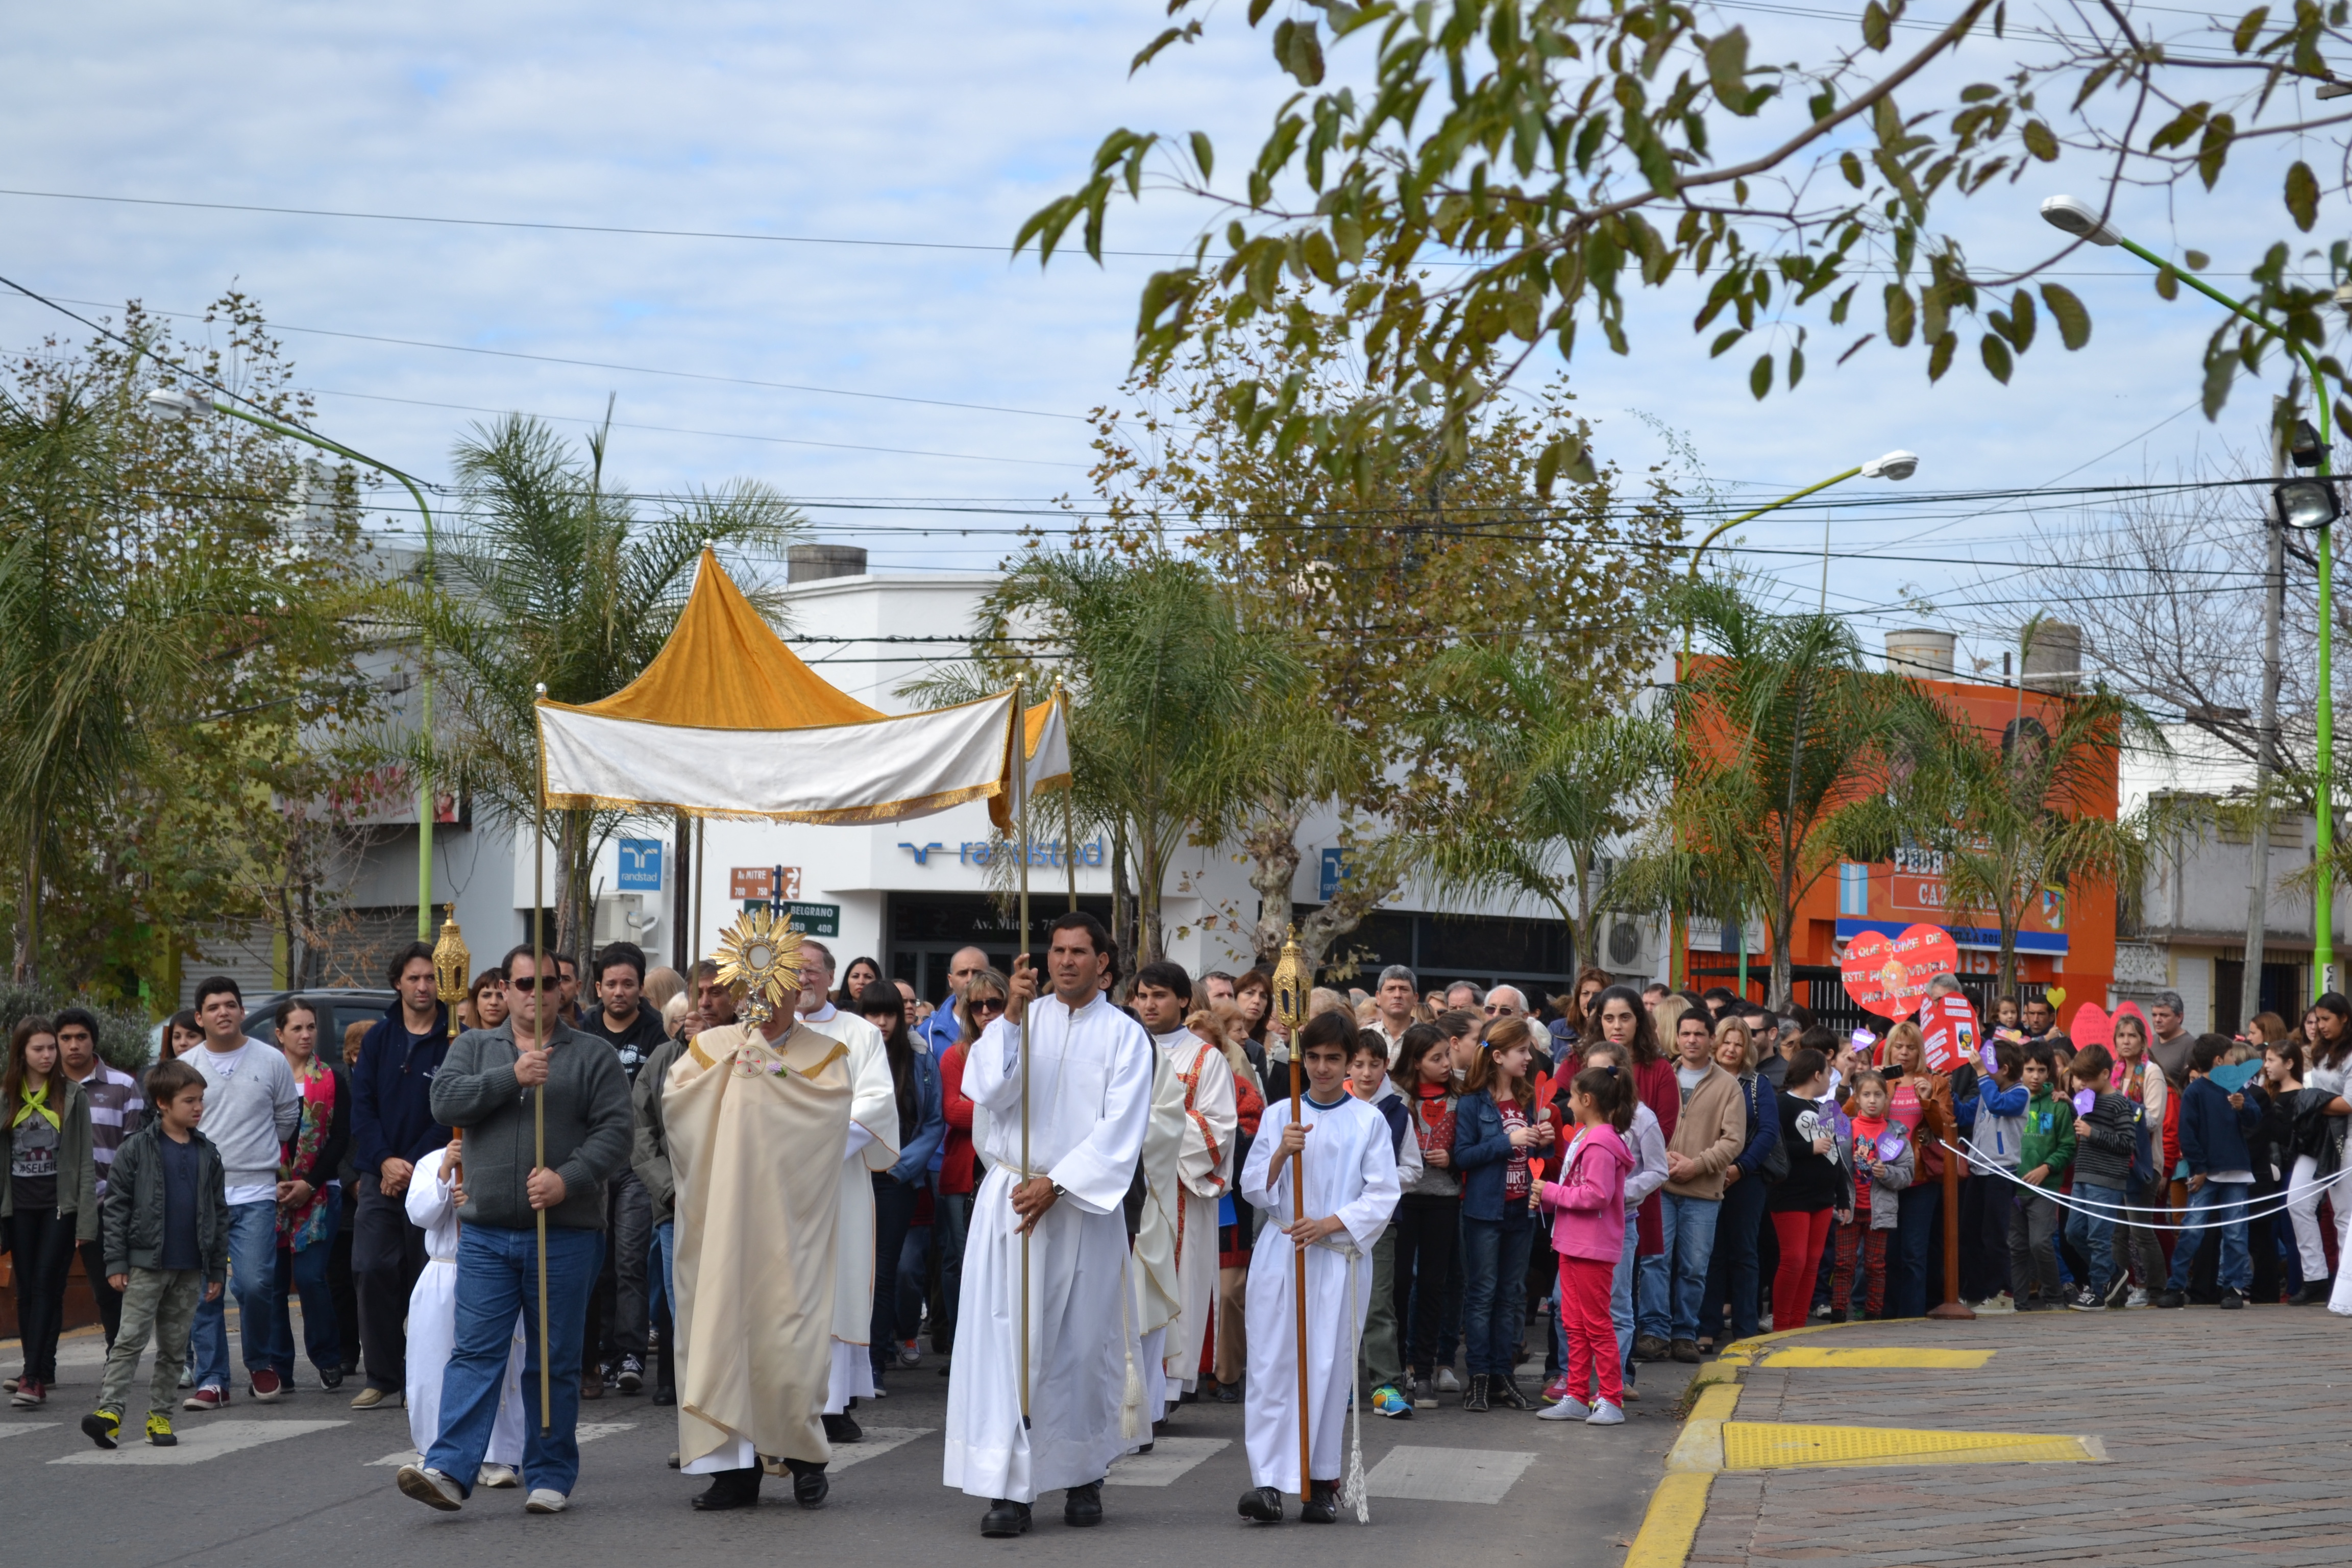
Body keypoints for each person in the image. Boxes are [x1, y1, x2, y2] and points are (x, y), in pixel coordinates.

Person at [399, 943, 634, 1515]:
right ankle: (450, 1471)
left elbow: (616, 1132)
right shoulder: (477, 1047)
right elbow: (443, 1101)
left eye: (547, 984)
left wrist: (568, 1179)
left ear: (564, 990)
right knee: (475, 1352)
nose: (535, 995)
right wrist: (512, 1077)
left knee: (551, 1360)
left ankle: (549, 1472)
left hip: (567, 1233)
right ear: (504, 990)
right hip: (484, 1233)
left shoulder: (594, 1056)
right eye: (523, 984)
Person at [942, 912, 1154, 1538]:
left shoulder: (1124, 1036)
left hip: (1080, 1207)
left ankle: (1085, 1473)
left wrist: (1059, 1183)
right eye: (1057, 951)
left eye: (1079, 952)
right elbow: (987, 1091)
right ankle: (1009, 1487)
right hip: (1012, 1198)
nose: (1065, 961)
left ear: (1103, 964)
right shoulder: (1019, 1021)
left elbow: (1123, 1127)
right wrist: (1009, 1016)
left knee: (1081, 1346)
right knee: (1006, 1342)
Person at [663, 921, 854, 1512]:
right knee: (720, 1330)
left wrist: (768, 1069)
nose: (768, 1007)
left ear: (800, 993)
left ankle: (803, 1456)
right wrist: (728, 1068)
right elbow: (675, 1105)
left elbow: (828, 1115)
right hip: (719, 1216)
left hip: (788, 1219)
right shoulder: (712, 1048)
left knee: (786, 1335)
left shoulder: (826, 1056)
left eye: (781, 993)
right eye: (758, 994)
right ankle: (731, 1471)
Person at [1234, 1011, 1402, 1524]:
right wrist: (1283, 1153)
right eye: (1314, 1057)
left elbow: (1383, 1194)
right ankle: (1267, 1482)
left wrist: (1329, 1223)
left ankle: (1319, 1482)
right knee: (1271, 1367)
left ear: (1351, 1062)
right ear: (1301, 1058)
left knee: (1326, 1369)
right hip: (1283, 1255)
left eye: (1334, 1059)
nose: (1323, 1068)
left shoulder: (1368, 1120)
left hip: (1334, 1261)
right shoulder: (1279, 1114)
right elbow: (1252, 1187)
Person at [81, 1060, 224, 1450]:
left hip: (190, 1266)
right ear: (163, 1102)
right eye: (189, 1101)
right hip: (145, 1264)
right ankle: (110, 1413)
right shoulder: (136, 1149)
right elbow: (116, 1208)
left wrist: (216, 1269)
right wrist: (116, 1261)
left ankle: (160, 1417)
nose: (198, 1107)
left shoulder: (207, 1153)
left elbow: (218, 1213)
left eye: (201, 1100)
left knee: (175, 1347)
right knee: (129, 1340)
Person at [789, 940, 901, 1424]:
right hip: (774, 1184)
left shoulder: (859, 1033)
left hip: (836, 1178)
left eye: (812, 971)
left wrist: (816, 1145)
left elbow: (876, 1101)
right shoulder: (763, 1032)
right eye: (794, 971)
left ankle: (831, 1404)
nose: (804, 980)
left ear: (830, 977)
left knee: (835, 1286)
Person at [182, 976, 300, 1410]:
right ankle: (212, 1379)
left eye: (231, 1004)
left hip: (255, 1189)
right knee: (203, 1290)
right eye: (213, 1007)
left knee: (255, 1283)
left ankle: (261, 1362)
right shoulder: (187, 1064)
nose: (223, 1012)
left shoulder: (271, 1060)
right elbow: (178, 1125)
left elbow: (287, 1117)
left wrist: (259, 1153)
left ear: (242, 1011)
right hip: (200, 1192)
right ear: (200, 1017)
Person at [1130, 962, 1240, 1408]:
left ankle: (1167, 1389)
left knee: (1175, 1285)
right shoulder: (1124, 1047)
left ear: (1182, 1000)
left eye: (1159, 995)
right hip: (1123, 1187)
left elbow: (1219, 1128)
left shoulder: (1205, 1058)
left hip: (1178, 1189)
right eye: (1142, 996)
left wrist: (1148, 1125)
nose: (1149, 1004)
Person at [350, 943, 455, 1411]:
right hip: (381, 1173)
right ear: (398, 982)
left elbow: (448, 1111)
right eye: (414, 978)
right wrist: (385, 1161)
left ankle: (426, 1374)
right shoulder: (379, 1038)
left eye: (431, 978)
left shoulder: (455, 1036)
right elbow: (362, 1108)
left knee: (424, 1274)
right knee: (372, 1268)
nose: (423, 986)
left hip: (431, 1173)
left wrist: (410, 1165)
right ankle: (382, 1375)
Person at [404, 1131, 528, 1491]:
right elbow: (420, 1214)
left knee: (498, 1363)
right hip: (444, 1272)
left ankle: (498, 1453)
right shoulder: (432, 1161)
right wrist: (445, 1174)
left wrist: (476, 1202)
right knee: (435, 1364)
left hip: (492, 1272)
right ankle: (436, 1449)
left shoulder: (503, 1155)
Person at [579, 941, 666, 1399]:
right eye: (610, 984)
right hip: (591, 1161)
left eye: (628, 984)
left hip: (634, 1163)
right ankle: (596, 1351)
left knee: (630, 1259)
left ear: (640, 987)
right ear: (597, 987)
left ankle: (629, 1352)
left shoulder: (656, 1034)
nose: (619, 992)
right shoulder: (584, 1029)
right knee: (598, 1262)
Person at [1452, 1016, 1552, 1412]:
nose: (1529, 1057)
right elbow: (1463, 1156)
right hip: (1484, 1211)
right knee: (1482, 1295)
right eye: (1522, 1051)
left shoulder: (1529, 1100)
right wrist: (1505, 1141)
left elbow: (1539, 1159)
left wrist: (1543, 1144)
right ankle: (1478, 1377)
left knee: (1512, 1295)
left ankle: (1502, 1375)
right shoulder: (1474, 1102)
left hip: (1520, 1211)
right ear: (1498, 1056)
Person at [5, 1016, 99, 1407]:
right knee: (26, 1290)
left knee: (46, 1283)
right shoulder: (6, 1096)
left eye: (50, 1048)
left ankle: (31, 1377)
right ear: (22, 1053)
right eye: (38, 1048)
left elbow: (85, 1160)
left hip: (60, 1206)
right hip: (17, 1207)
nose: (47, 1055)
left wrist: (87, 1220)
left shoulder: (73, 1095)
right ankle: (37, 1369)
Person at [1537, 1062, 1634, 1425]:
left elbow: (1596, 1195)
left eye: (1574, 1097)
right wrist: (1551, 1196)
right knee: (1573, 1322)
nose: (1569, 1103)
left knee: (1596, 1323)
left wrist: (1551, 1192)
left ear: (1588, 1100)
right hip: (1574, 1242)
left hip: (1591, 1246)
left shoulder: (1600, 1142)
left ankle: (1611, 1396)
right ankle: (1577, 1394)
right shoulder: (1590, 1137)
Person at [860, 980, 944, 1391]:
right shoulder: (849, 1053)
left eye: (887, 1014)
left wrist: (899, 1166)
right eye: (872, 1014)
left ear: (901, 1015)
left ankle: (874, 1364)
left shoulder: (920, 1058)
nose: (880, 1023)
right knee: (849, 1270)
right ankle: (846, 1365)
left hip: (897, 1180)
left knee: (885, 1272)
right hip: (850, 1175)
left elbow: (933, 1123)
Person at [263, 998, 350, 1393]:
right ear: (279, 1034)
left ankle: (328, 1358)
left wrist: (309, 1184)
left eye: (311, 1027)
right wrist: (276, 1182)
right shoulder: (265, 1077)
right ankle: (279, 1367)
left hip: (318, 1193)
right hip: (270, 1192)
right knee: (275, 1283)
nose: (305, 1035)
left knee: (313, 1278)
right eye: (296, 1028)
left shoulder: (332, 1079)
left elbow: (339, 1141)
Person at [1659, 1004, 1745, 1363]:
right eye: (1686, 1033)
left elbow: (1733, 1140)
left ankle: (1684, 1333)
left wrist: (1697, 1165)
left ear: (1712, 1039)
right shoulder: (1662, 1075)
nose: (1692, 1040)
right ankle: (1654, 1331)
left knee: (1694, 1267)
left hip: (1703, 1192)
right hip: (1659, 1188)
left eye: (1699, 1034)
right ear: (1676, 1038)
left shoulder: (1728, 1086)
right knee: (1655, 1262)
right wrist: (1660, 1159)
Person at [2155, 1034, 2262, 1311]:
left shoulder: (2237, 1085)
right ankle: (2176, 1285)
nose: (2234, 1061)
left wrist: (2244, 1107)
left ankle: (2233, 1287)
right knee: (2192, 1230)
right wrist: (2200, 1169)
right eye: (2229, 1056)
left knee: (2236, 1232)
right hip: (2207, 1173)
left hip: (2236, 1171)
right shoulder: (2195, 1092)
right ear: (2218, 1061)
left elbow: (2255, 1116)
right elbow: (2187, 1135)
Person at [57, 1006, 141, 1350]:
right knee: (44, 1287)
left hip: (107, 1202)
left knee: (109, 1288)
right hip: (54, 1203)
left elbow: (134, 1149)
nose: (73, 1045)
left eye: (81, 1038)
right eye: (65, 1038)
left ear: (94, 1041)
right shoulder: (46, 1087)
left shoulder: (124, 1086)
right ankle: (40, 1369)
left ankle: (116, 1360)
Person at [1346, 1028, 1419, 1420]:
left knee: (1378, 1303)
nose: (1366, 1072)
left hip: (1380, 1223)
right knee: (1334, 1303)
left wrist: (1381, 1175)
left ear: (1385, 1066)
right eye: (1358, 1064)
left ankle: (1384, 1384)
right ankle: (1337, 1382)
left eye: (1374, 1064)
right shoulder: (1332, 1104)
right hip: (1333, 1223)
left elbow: (1413, 1169)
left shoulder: (1396, 1111)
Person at [932, 969, 1004, 1361]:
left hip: (1010, 1172)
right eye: (977, 1006)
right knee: (965, 1263)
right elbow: (954, 1112)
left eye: (995, 1003)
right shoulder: (956, 1054)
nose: (987, 1012)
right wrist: (1004, 1109)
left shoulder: (1022, 1049)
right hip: (965, 1173)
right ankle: (965, 1349)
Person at [1698, 1017, 1777, 1350]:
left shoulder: (1759, 1085)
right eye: (1726, 1042)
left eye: (1738, 1043)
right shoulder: (1703, 1080)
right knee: (1710, 1253)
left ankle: (1745, 1327)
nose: (1731, 1049)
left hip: (1748, 1180)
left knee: (1745, 1252)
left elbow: (1768, 1133)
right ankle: (1707, 1326)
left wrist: (1740, 1168)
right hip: (1705, 1174)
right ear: (1716, 1044)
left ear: (1747, 1048)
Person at [1390, 1023, 1458, 1403]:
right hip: (1404, 1198)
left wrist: (1452, 1159)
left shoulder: (1459, 1097)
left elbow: (1468, 1146)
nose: (1446, 1064)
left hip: (1443, 1199)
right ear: (1416, 1063)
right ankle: (1398, 1365)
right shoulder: (1396, 1097)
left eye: (1447, 1055)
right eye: (1436, 1058)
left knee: (1433, 1284)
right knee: (1399, 1284)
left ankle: (1425, 1367)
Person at [1767, 1047, 1841, 1333]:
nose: (1830, 1077)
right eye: (1829, 1071)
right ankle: (1781, 1325)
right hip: (1791, 1195)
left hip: (1823, 1198)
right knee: (1794, 1259)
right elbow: (1773, 1148)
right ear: (1817, 1074)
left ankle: (1797, 1326)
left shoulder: (1825, 1109)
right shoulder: (1781, 1103)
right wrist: (1809, 1148)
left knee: (1812, 1261)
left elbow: (1835, 1155)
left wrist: (1842, 1197)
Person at [2284, 992, 2352, 1303]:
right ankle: (2315, 1279)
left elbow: (2349, 1103)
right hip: (2317, 1139)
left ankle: (2345, 1286)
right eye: (2317, 1019)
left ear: (2345, 1019)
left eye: (2326, 1020)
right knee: (2296, 1201)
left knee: (2344, 1216)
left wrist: (2312, 1102)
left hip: (2346, 1140)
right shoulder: (2320, 1050)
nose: (2319, 1026)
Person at [1830, 1070, 1912, 1321]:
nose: (1872, 1100)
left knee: (1876, 1266)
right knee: (1844, 1263)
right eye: (1866, 1095)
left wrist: (1886, 1172)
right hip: (1848, 1209)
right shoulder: (1845, 1128)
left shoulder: (1896, 1133)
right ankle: (1839, 1311)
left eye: (1878, 1095)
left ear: (1887, 1099)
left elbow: (1907, 1174)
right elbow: (1832, 1165)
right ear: (1857, 1097)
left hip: (1880, 1210)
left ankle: (1873, 1313)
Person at [2061, 1044, 2137, 1312]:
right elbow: (2083, 1123)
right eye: (2079, 1078)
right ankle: (2115, 1274)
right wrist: (2070, 1105)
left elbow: (2128, 1142)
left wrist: (2093, 1134)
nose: (2081, 1084)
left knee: (2098, 1237)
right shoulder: (2086, 1097)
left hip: (2106, 1179)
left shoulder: (2119, 1103)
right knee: (2073, 1232)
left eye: (2087, 1078)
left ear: (2105, 1074)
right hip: (2083, 1174)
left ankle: (2098, 1289)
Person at [2009, 1044, 2074, 1309]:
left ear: (2050, 1073)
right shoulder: (2010, 1101)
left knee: (2041, 1244)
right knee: (2016, 1248)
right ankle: (2020, 1304)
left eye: (2041, 1070)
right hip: (2013, 1188)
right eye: (2029, 1070)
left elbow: (2068, 1147)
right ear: (2020, 1071)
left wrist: (2047, 1167)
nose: (2035, 1076)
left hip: (2045, 1189)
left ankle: (2054, 1298)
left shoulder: (2057, 1106)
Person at [1968, 1041, 2029, 1306]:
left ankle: (2002, 1293)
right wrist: (1941, 1092)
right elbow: (1964, 1113)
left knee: (1995, 1236)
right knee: (1972, 1234)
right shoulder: (1986, 1090)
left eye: (1988, 1064)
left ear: (2004, 1069)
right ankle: (1976, 1292)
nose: (1981, 1067)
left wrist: (1982, 1074)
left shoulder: (2021, 1093)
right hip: (1978, 1170)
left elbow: (1997, 1105)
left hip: (2001, 1173)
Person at [917, 947, 992, 1057]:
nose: (970, 979)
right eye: (963, 973)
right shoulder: (927, 1032)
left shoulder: (1007, 1025)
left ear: (989, 977)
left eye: (977, 973)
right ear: (950, 981)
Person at [1370, 964, 1418, 1061]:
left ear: (1415, 999)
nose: (1397, 995)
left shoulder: (1430, 1039)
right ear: (1378, 997)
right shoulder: (1362, 1037)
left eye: (1404, 989)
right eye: (1391, 989)